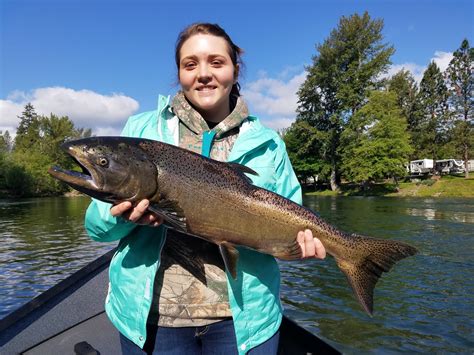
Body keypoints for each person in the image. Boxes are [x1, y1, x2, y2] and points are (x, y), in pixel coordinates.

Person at [84, 23, 326, 355]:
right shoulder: (140, 130)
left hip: (245, 323)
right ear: (179, 73)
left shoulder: (268, 143)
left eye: (216, 62)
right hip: (156, 320)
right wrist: (126, 218)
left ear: (234, 69)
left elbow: (292, 219)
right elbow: (96, 229)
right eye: (190, 64)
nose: (203, 74)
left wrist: (300, 246)